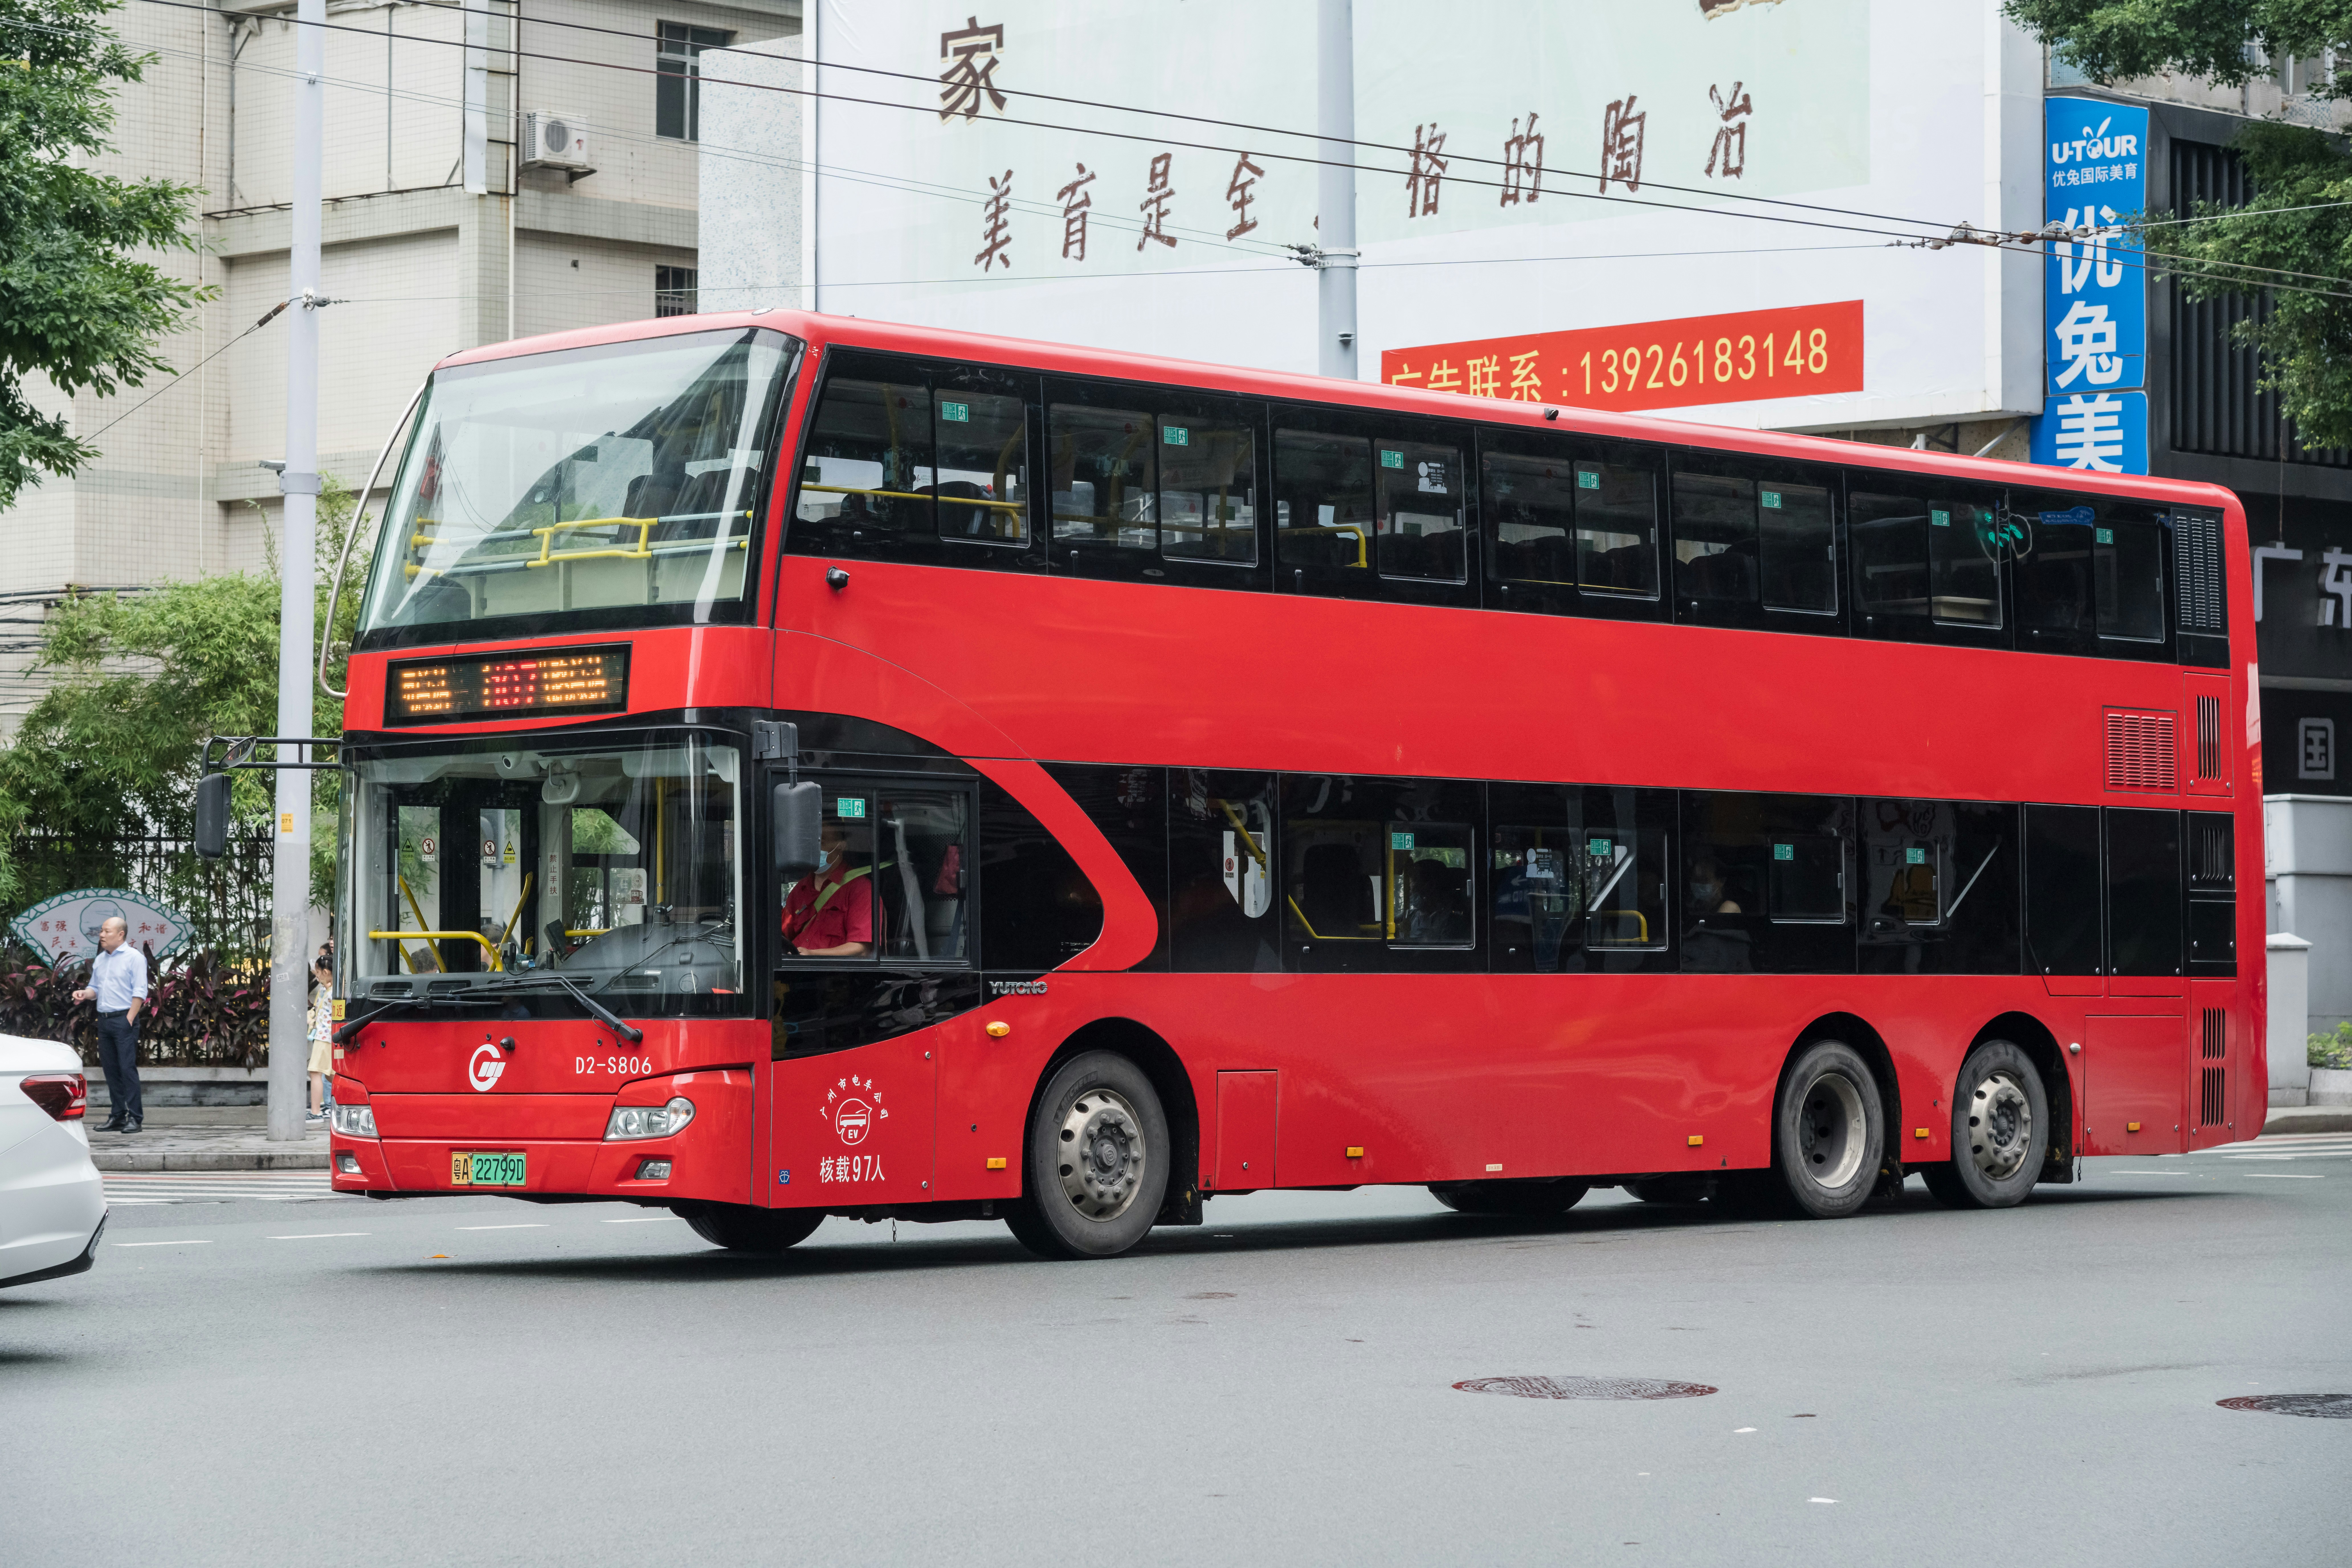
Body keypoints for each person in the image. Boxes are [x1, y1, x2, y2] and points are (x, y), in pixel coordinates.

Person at [73, 917, 147, 1135]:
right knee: (111, 1071)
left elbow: (140, 991)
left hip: (124, 1019)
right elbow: (95, 988)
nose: (102, 935)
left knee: (127, 1069)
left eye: (106, 931)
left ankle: (135, 1117)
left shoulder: (135, 958)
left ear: (121, 934)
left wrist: (130, 1019)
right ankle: (117, 1116)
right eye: (101, 932)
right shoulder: (101, 960)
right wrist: (85, 994)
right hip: (104, 1020)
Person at [780, 822, 875, 957]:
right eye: (811, 843)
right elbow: (783, 935)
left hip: (833, 975)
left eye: (821, 842)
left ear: (841, 846)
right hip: (794, 970)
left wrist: (812, 954)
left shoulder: (861, 890)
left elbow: (861, 949)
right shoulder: (801, 889)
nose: (815, 849)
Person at [306, 957, 336, 1123]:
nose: (317, 977)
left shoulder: (331, 992)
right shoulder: (329, 990)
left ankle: (316, 1112)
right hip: (328, 1037)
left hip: (324, 1037)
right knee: (333, 1076)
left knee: (315, 1072)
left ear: (325, 973)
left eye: (318, 973)